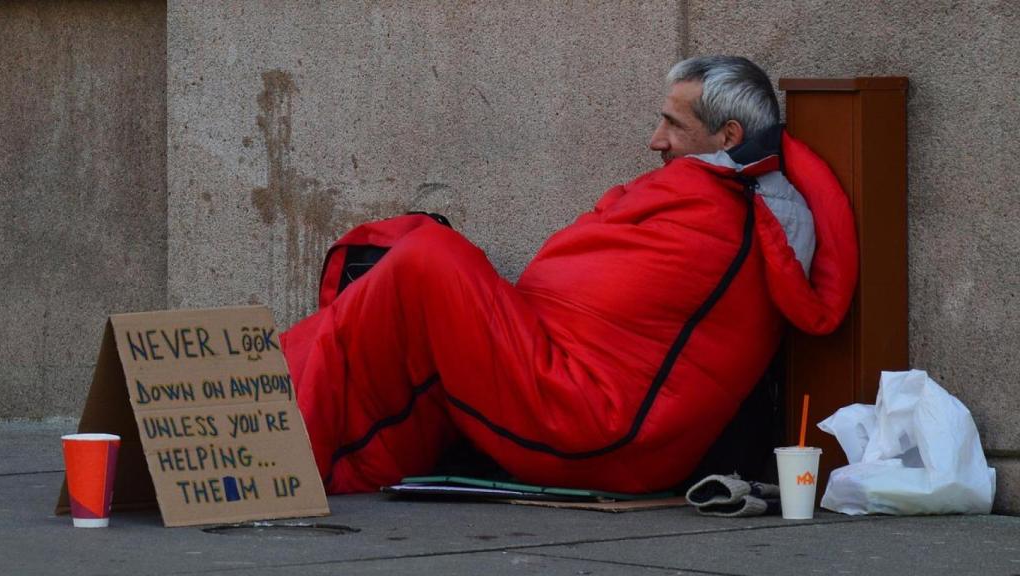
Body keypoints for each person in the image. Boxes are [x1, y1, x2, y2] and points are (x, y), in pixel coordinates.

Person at [281, 56, 858, 494]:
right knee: (407, 257)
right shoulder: (718, 201)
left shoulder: (729, 217)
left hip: (596, 426)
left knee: (428, 258)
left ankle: (281, 442)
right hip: (573, 389)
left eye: (673, 125)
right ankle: (264, 389)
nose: (656, 141)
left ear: (728, 137)